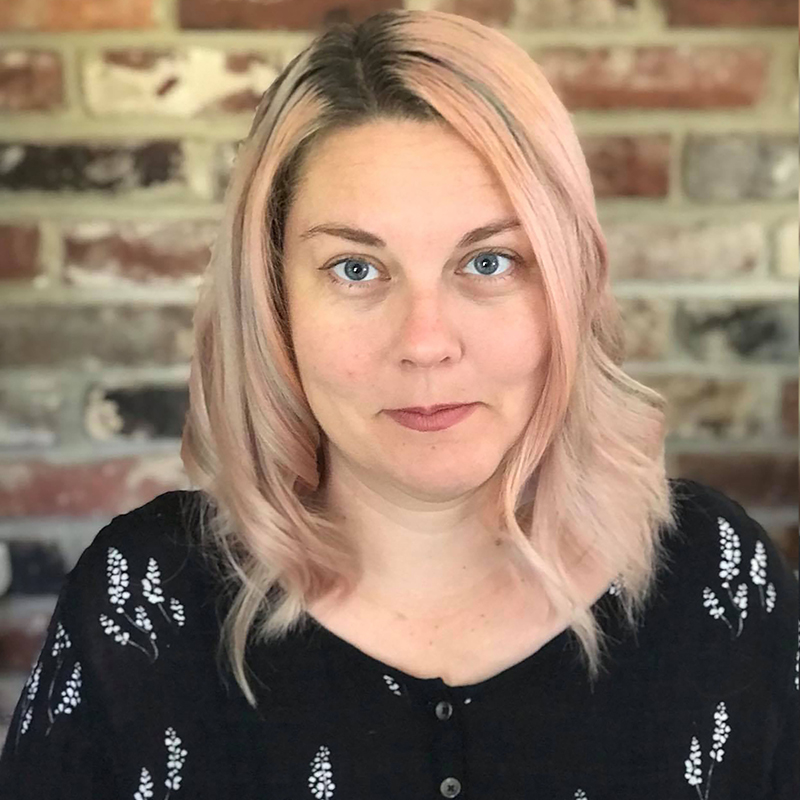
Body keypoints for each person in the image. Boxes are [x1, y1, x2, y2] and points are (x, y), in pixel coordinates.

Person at [1, 8, 797, 799]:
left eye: (489, 262)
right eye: (356, 269)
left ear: (567, 283)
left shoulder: (715, 580)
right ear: (274, 300)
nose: (425, 342)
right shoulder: (145, 596)